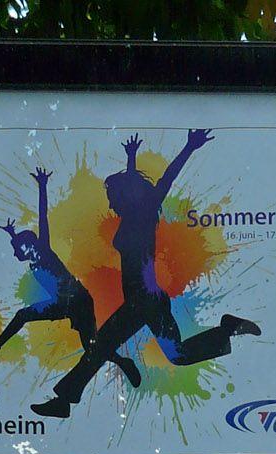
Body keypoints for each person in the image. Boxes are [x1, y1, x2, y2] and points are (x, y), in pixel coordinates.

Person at [30, 130, 260, 418]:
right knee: (171, 354)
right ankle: (226, 329)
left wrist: (189, 147)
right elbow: (132, 187)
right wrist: (130, 159)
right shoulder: (132, 216)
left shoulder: (144, 213)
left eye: (113, 197)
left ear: (126, 196)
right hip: (143, 301)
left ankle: (63, 401)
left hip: (144, 300)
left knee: (106, 347)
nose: (111, 204)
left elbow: (166, 180)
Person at [0, 167, 140, 390]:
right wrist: (13, 234)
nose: (15, 254)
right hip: (66, 303)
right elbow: (23, 242)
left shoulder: (43, 250)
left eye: (17, 250)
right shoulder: (34, 258)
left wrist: (43, 187)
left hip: (77, 300)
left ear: (28, 246)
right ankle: (123, 362)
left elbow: (42, 218)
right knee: (88, 346)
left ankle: (123, 362)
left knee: (90, 346)